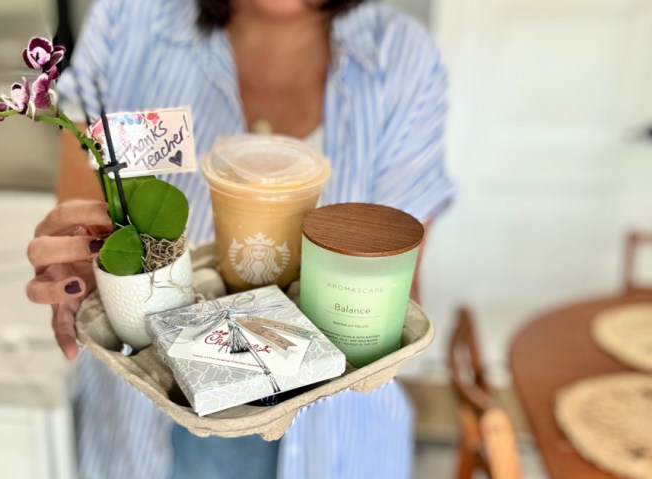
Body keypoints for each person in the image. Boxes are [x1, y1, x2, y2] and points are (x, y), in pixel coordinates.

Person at [26, 0, 455, 477]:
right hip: (153, 423)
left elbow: (396, 288)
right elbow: (87, 227)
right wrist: (82, 265)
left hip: (331, 436)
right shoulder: (129, 20)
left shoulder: (401, 58)